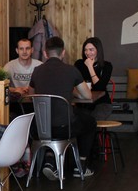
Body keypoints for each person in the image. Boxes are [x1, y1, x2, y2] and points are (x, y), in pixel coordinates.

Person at [29, 36, 96, 180]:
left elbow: (31, 95)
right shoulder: (71, 70)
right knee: (90, 122)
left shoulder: (37, 71)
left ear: (45, 53)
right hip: (64, 128)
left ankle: (50, 161)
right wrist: (70, 89)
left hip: (40, 128)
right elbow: (87, 95)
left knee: (57, 121)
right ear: (63, 52)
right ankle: (80, 166)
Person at [74, 37, 113, 121]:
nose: (87, 53)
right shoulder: (79, 64)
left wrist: (90, 67)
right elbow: (74, 83)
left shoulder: (106, 66)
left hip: (101, 103)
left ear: (98, 50)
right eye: (85, 50)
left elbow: (100, 87)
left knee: (93, 121)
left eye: (91, 50)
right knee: (79, 121)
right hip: (83, 103)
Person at [3, 38, 43, 115]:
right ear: (17, 50)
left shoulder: (40, 65)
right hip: (15, 104)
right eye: (21, 49)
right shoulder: (9, 66)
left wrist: (31, 89)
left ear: (32, 50)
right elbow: (2, 86)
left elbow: (45, 85)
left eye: (27, 48)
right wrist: (15, 90)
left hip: (35, 104)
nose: (24, 52)